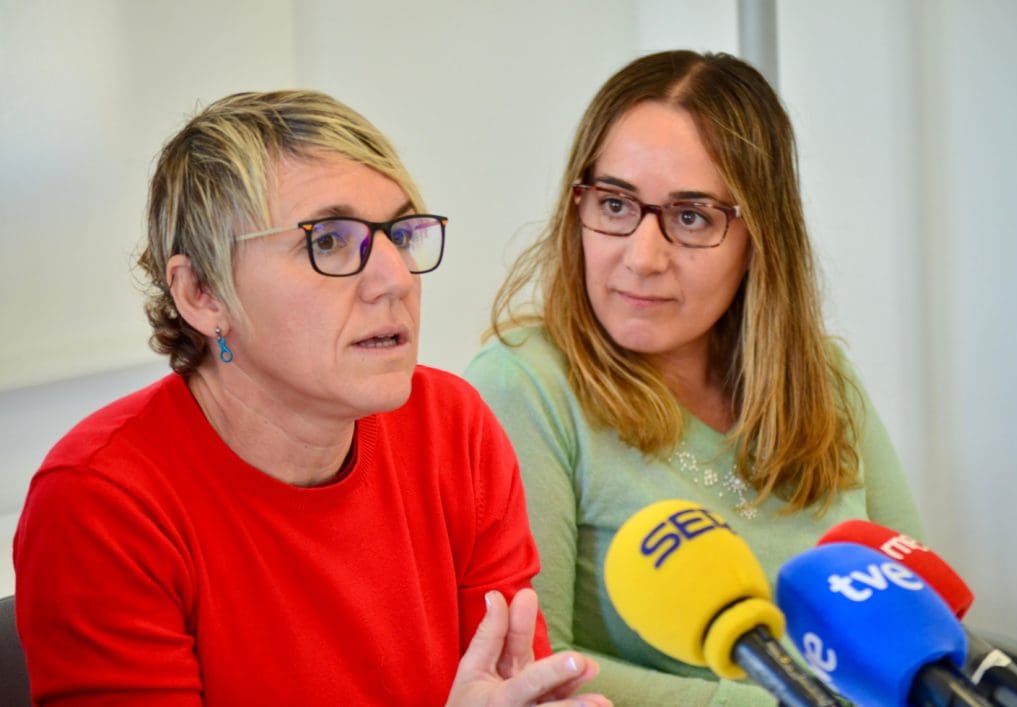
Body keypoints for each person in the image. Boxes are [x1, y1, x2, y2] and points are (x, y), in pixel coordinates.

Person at [13, 90, 611, 707]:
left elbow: (517, 687)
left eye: (400, 235)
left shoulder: (453, 428)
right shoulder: (102, 504)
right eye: (327, 241)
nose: (396, 279)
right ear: (201, 294)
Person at [464, 50, 925, 705]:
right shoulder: (523, 384)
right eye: (615, 204)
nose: (643, 257)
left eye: (691, 217)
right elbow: (532, 663)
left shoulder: (823, 376)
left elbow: (917, 609)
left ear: (760, 237)